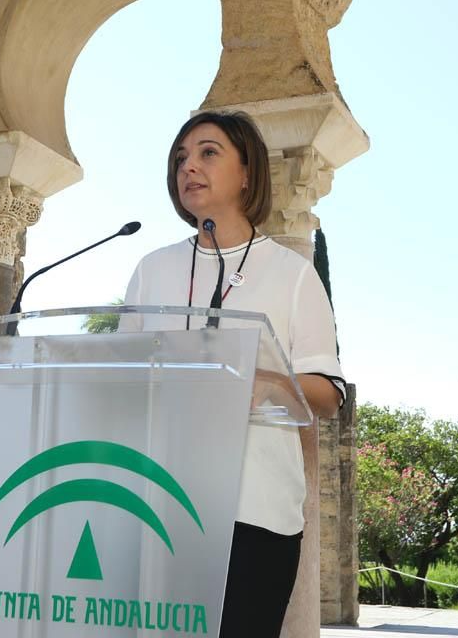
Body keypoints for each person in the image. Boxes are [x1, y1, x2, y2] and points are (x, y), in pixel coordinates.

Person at [120, 111, 344, 637]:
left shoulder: (292, 276)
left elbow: (327, 394)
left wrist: (251, 383)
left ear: (248, 173)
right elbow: (126, 378)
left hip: (256, 515)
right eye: (180, 158)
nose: (188, 167)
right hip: (160, 508)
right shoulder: (152, 270)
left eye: (207, 153)